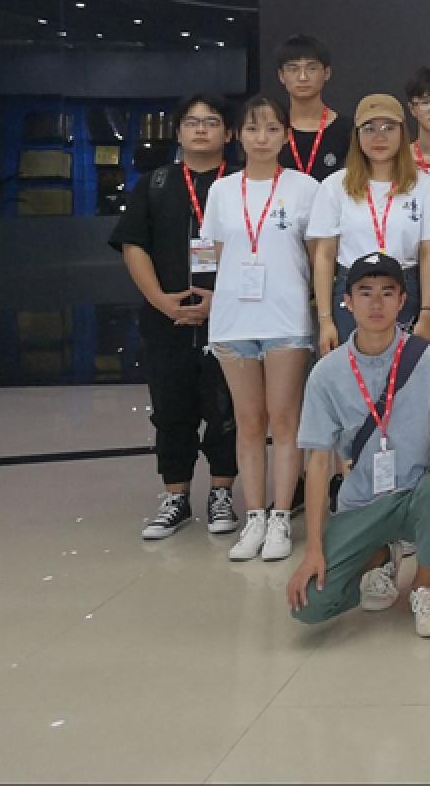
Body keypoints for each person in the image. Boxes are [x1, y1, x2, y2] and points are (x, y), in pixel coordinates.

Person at [287, 253, 430, 637]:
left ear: (402, 300)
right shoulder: (326, 373)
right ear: (347, 301)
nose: (376, 303)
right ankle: (378, 557)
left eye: (388, 293)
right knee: (310, 605)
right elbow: (318, 463)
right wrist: (313, 550)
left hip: (413, 494)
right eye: (365, 292)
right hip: (360, 504)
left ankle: (423, 587)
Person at [111, 93, 239, 541]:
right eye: (192, 122)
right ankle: (176, 496)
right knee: (170, 409)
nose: (201, 129)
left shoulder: (239, 184)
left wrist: (221, 301)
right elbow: (134, 246)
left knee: (226, 408)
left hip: (229, 317)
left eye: (212, 121)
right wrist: (160, 301)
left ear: (229, 133)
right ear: (179, 132)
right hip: (165, 319)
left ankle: (222, 492)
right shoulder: (155, 184)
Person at [200, 95, 320, 563]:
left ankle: (280, 516)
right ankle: (254, 516)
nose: (262, 138)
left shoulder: (305, 188)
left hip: (286, 318)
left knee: (285, 420)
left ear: (286, 135)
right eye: (253, 129)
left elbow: (317, 256)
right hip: (234, 321)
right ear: (238, 135)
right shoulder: (222, 190)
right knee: (248, 422)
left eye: (272, 129)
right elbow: (215, 255)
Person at [307, 94, 430, 350]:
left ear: (402, 133)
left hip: (405, 285)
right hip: (352, 287)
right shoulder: (335, 186)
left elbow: (429, 253)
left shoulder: (425, 186)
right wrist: (325, 320)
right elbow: (324, 255)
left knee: (402, 369)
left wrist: (427, 313)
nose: (379, 137)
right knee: (352, 368)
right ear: (357, 135)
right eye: (369, 129)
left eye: (388, 128)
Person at [275, 34, 353, 179]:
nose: (302, 77)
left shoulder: (349, 130)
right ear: (281, 75)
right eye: (293, 69)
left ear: (327, 73)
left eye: (311, 68)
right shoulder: (273, 130)